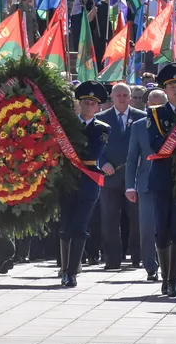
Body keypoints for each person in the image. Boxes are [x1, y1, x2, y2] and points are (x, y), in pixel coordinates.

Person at [127, 64, 176, 296]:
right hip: (162, 178)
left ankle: (174, 280)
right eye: (172, 86)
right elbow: (155, 145)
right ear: (165, 89)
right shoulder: (156, 114)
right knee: (161, 230)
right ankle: (165, 277)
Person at [59, 81, 110, 288]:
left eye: (92, 103)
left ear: (98, 107)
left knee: (80, 227)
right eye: (85, 102)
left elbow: (93, 153)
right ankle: (65, 268)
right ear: (78, 104)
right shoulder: (67, 126)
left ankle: (71, 272)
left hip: (88, 181)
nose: (89, 106)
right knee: (65, 227)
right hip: (67, 179)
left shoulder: (102, 129)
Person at [95, 83, 144, 271]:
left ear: (130, 97)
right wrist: (102, 161)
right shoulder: (101, 118)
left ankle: (137, 257)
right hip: (110, 176)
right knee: (109, 219)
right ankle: (112, 259)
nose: (122, 98)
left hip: (134, 178)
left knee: (137, 219)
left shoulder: (141, 117)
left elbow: (144, 144)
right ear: (112, 98)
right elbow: (95, 146)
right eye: (118, 95)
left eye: (125, 95)